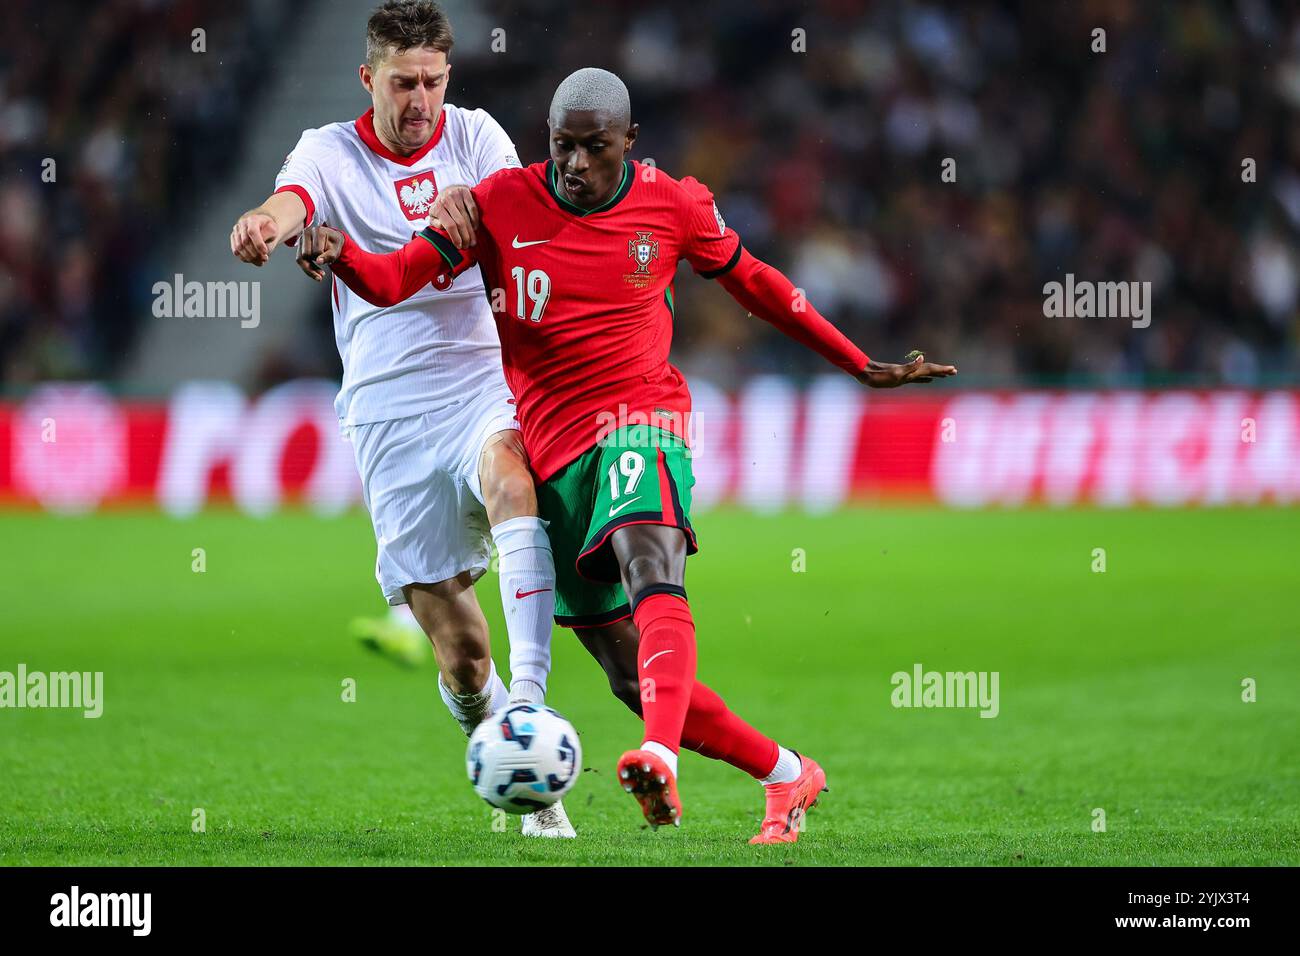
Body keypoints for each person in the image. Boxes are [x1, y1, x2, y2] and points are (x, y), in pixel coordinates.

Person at [295, 67, 957, 843]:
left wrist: (858, 363)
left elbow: (756, 282)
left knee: (651, 561)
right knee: (627, 674)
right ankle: (786, 773)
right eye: (562, 146)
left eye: (595, 147)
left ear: (630, 141)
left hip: (641, 421)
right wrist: (340, 253)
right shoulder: (499, 204)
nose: (575, 164)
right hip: (555, 456)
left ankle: (658, 756)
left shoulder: (672, 204)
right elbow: (395, 278)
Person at [229, 0, 572, 837]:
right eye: (402, 83)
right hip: (388, 411)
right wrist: (267, 225)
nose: (420, 100)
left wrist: (479, 204)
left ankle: (531, 705)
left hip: (481, 377)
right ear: (368, 79)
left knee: (510, 478)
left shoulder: (477, 136)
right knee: (463, 657)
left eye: (432, 81)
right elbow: (291, 201)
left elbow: (516, 214)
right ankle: (509, 743)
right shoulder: (328, 151)